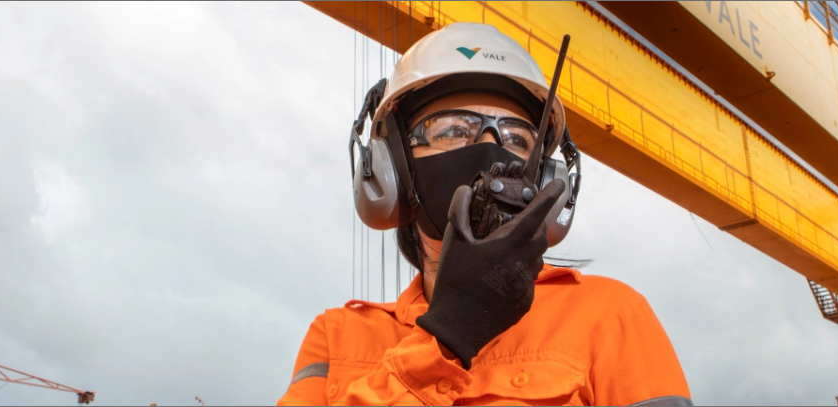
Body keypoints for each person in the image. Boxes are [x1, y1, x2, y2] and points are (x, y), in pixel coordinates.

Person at [279, 23, 690, 406]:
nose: (493, 149)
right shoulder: (337, 338)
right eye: (454, 129)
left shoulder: (610, 314)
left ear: (547, 176)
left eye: (516, 137)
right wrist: (451, 330)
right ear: (393, 170)